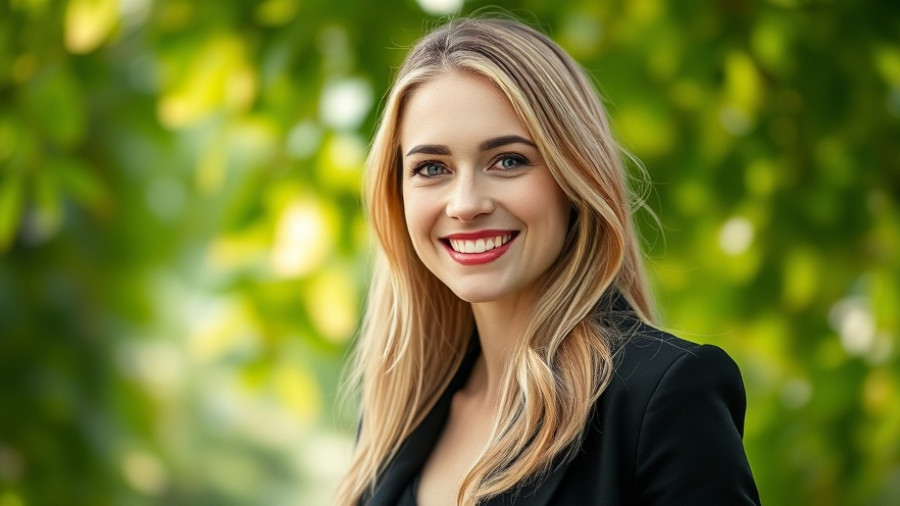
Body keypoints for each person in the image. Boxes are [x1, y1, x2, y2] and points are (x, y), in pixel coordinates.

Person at [336, 17, 760, 506]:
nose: (466, 203)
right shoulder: (398, 413)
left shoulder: (664, 398)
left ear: (575, 176)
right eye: (432, 168)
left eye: (509, 160)